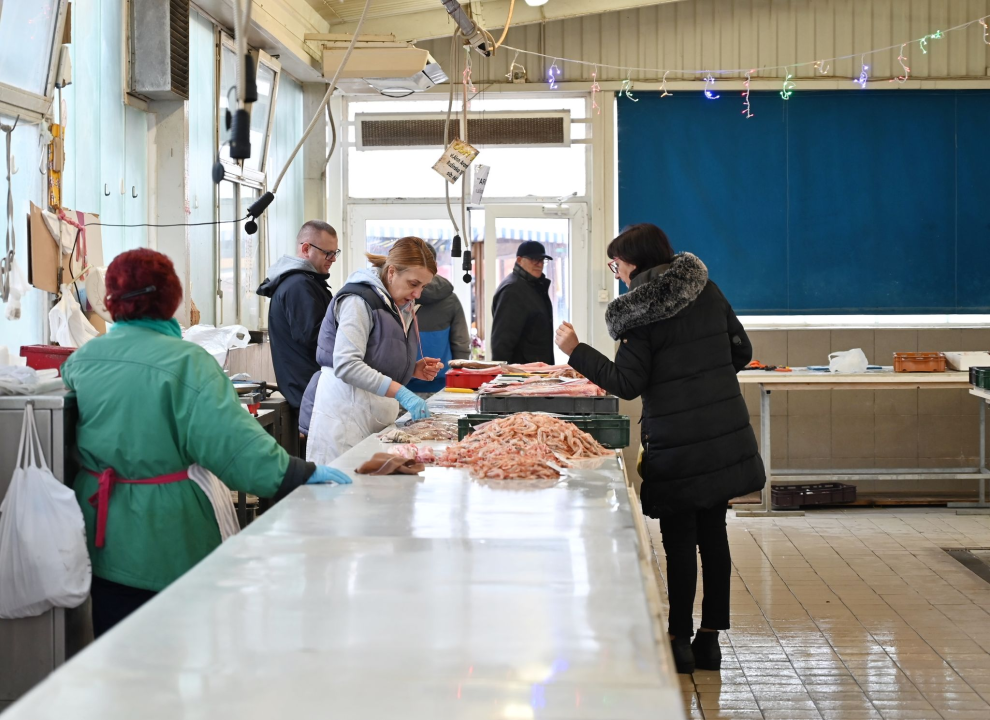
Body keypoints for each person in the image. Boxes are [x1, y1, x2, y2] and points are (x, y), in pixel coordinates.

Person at [61, 248, 351, 637]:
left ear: (111, 301)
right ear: (172, 298)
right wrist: (298, 471)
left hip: (96, 523)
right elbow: (233, 446)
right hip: (166, 531)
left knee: (114, 647)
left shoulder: (83, 359)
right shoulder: (187, 362)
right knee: (171, 646)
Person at [553, 224, 765, 675]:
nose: (617, 273)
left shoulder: (637, 315)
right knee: (714, 535)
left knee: (680, 543)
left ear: (633, 263)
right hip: (724, 434)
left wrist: (576, 351)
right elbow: (742, 351)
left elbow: (628, 385)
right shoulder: (706, 289)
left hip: (676, 442)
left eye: (617, 265)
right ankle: (710, 641)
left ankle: (678, 641)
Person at [305, 237, 444, 465]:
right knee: (343, 495)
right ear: (391, 273)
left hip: (373, 418)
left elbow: (376, 358)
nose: (418, 293)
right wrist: (402, 392)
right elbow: (346, 364)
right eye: (413, 283)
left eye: (423, 287)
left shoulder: (396, 304)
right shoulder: (358, 301)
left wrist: (411, 369)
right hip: (345, 417)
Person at [257, 221, 338, 444]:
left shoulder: (308, 282)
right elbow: (316, 339)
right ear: (305, 249)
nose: (332, 260)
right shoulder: (298, 285)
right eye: (328, 253)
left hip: (310, 389)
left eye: (335, 253)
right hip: (309, 390)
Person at [405, 244, 470, 397]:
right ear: (435, 265)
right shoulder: (450, 299)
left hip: (400, 387)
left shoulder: (399, 298)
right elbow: (461, 344)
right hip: (442, 385)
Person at [490, 240, 555, 364]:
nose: (539, 264)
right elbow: (502, 342)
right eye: (533, 259)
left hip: (535, 371)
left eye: (542, 260)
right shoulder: (513, 290)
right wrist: (504, 377)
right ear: (519, 260)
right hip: (521, 374)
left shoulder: (533, 286)